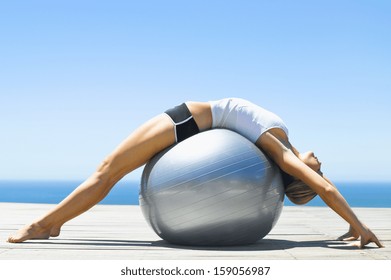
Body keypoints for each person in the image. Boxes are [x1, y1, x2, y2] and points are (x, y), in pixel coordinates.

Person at [7, 97, 383, 248]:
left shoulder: (282, 152)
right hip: (193, 129)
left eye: (318, 171)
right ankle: (52, 222)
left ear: (301, 174)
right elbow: (324, 186)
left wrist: (359, 225)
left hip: (187, 122)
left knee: (106, 171)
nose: (323, 165)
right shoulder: (285, 147)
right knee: (106, 171)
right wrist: (353, 225)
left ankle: (45, 224)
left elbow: (324, 188)